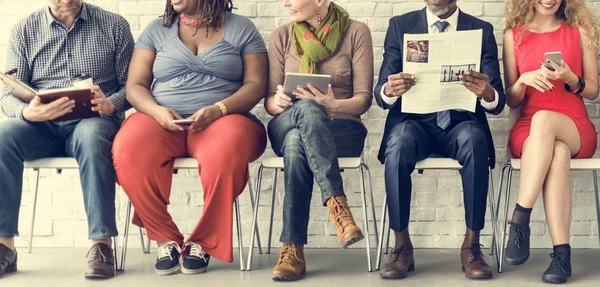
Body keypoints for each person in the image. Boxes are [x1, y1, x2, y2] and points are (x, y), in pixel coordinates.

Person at [111, 0, 267, 276]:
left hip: (224, 119)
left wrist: (220, 109)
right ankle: (165, 237)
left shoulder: (242, 29)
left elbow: (256, 85)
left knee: (225, 153)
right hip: (161, 121)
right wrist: (156, 111)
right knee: (127, 149)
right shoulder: (156, 30)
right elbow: (135, 85)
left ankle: (203, 242)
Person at [0, 0, 133, 279]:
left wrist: (112, 103)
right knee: (4, 136)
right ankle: (4, 246)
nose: (67, 1)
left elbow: (133, 85)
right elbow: (9, 90)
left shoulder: (114, 25)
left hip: (92, 120)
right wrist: (27, 112)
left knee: (92, 136)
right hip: (41, 127)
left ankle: (101, 245)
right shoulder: (23, 30)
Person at [374, 0, 505, 280]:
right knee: (397, 145)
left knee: (474, 139)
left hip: (460, 122)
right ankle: (401, 246)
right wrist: (389, 89)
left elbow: (498, 100)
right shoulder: (401, 26)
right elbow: (381, 92)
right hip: (414, 121)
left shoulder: (481, 29)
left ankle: (471, 245)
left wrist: (487, 92)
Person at [265, 0, 373, 281]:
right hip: (287, 119)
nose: (285, 3)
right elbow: (268, 103)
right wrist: (278, 101)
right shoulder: (282, 35)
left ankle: (292, 249)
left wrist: (332, 103)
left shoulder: (356, 32)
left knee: (296, 144)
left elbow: (363, 99)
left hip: (342, 128)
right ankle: (339, 209)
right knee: (306, 110)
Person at [502, 0, 598, 284]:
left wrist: (571, 78)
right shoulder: (514, 35)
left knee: (545, 119)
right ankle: (561, 255)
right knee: (556, 152)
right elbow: (511, 98)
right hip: (529, 132)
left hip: (574, 125)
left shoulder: (580, 30)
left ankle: (520, 218)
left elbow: (593, 90)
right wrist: (524, 81)